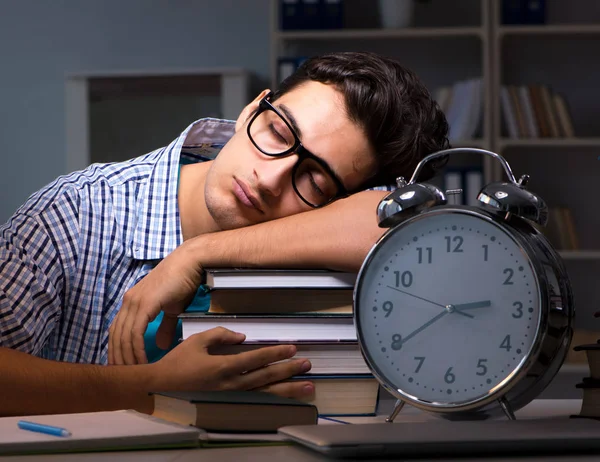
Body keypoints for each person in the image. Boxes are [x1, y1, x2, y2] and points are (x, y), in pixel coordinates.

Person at [0, 51, 449, 417]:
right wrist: (150, 386)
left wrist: (196, 252)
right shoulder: (74, 214)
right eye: (277, 132)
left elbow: (406, 224)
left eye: (313, 181)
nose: (271, 178)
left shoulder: (326, 221)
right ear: (253, 108)